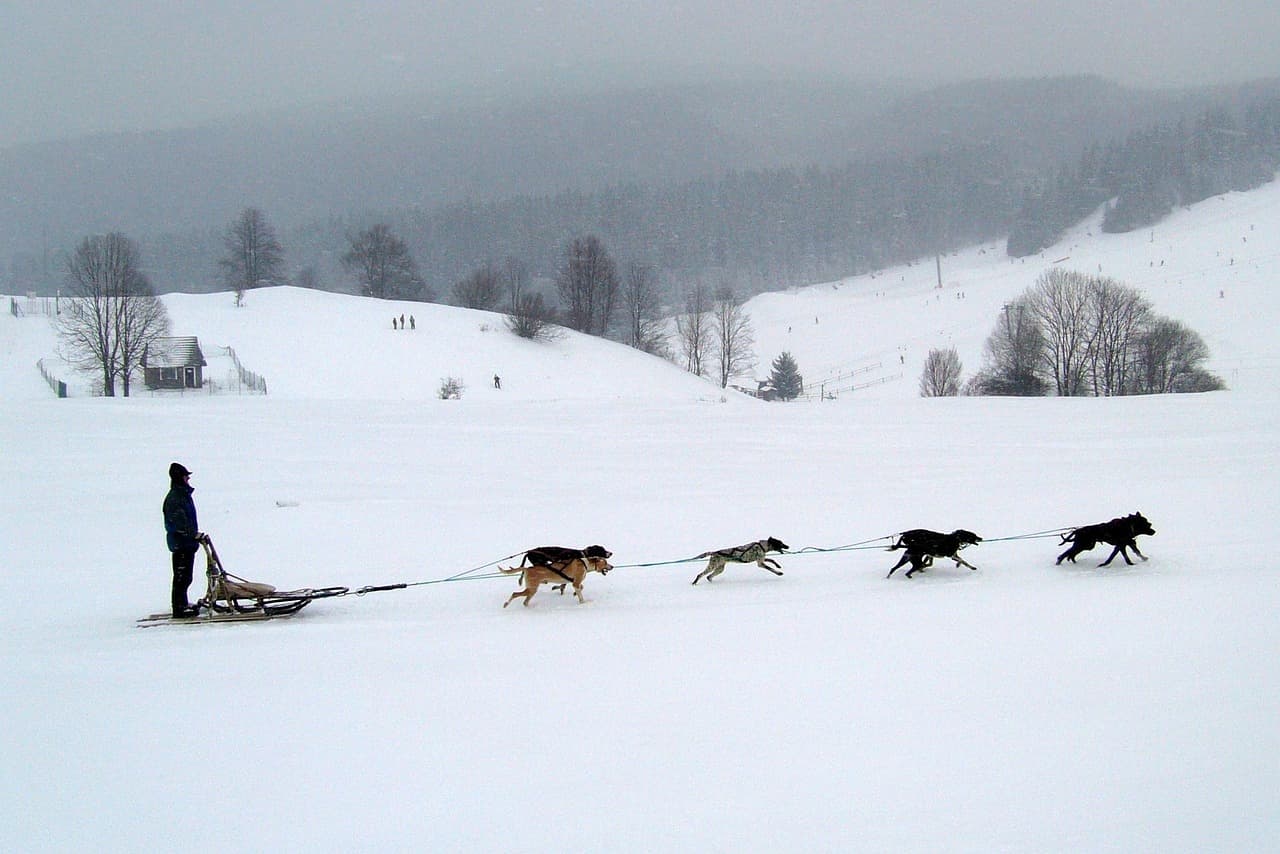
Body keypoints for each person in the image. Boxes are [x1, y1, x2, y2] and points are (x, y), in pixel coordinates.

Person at [163, 462, 205, 618]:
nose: (188, 478)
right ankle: (179, 607)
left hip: (186, 543)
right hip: (181, 544)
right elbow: (179, 522)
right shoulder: (176, 498)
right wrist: (191, 534)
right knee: (182, 577)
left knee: (186, 576)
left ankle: (183, 603)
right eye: (186, 476)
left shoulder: (182, 495)